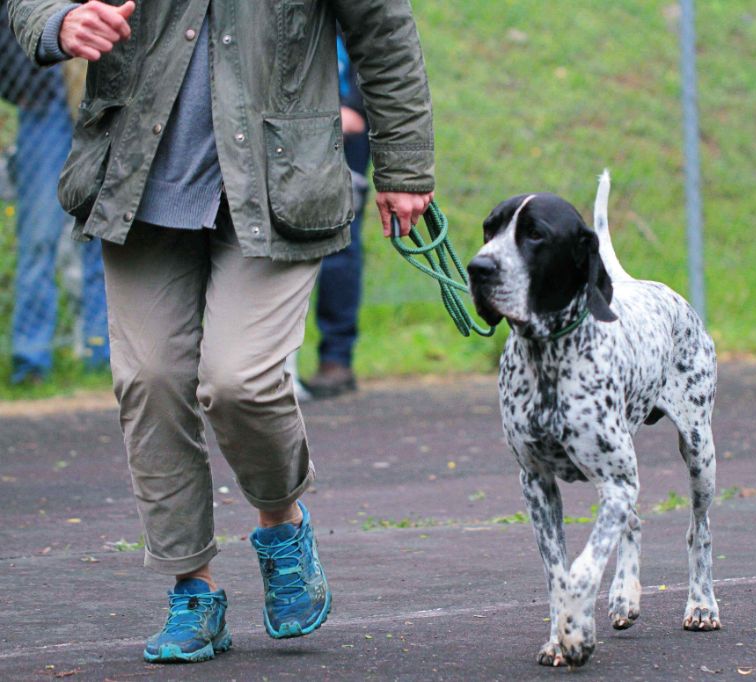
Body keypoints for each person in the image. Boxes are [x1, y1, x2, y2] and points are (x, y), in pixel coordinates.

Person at [9, 0, 434, 664]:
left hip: (278, 181)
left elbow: (383, 30)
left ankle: (280, 521)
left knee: (241, 382)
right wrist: (57, 19)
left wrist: (404, 166)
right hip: (138, 175)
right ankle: (193, 591)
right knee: (149, 381)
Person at [1, 0, 108, 385]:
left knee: (107, 235)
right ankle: (31, 362)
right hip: (42, 105)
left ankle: (105, 357)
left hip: (105, 105)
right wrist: (18, 81)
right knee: (38, 241)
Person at [304, 36, 371, 398]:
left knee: (339, 242)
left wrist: (353, 106)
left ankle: (336, 358)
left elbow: (380, 34)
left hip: (345, 126)